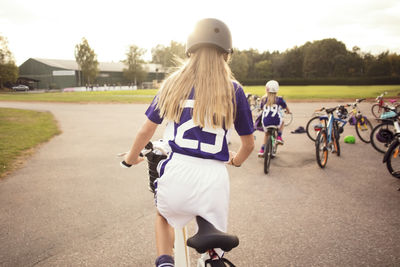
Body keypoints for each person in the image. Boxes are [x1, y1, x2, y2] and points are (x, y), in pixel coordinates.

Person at [122, 18, 255, 267]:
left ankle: (165, 262)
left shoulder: (173, 84)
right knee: (213, 247)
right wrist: (235, 161)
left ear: (190, 51)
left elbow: (145, 132)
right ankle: (211, 258)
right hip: (214, 180)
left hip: (178, 171)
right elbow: (249, 145)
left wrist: (131, 159)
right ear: (226, 54)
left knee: (164, 216)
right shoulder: (234, 90)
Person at [258, 80, 291, 157]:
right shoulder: (279, 99)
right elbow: (286, 108)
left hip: (265, 122)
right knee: (282, 121)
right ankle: (279, 136)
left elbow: (261, 108)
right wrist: (288, 111)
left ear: (267, 89)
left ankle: (262, 150)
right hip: (276, 121)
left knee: (266, 134)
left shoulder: (263, 99)